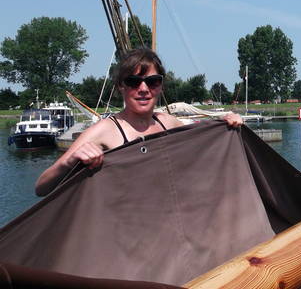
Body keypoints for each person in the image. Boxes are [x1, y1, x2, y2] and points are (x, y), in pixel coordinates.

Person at [35, 48, 243, 196]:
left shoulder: (168, 123)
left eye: (152, 82)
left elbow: (203, 139)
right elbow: (41, 188)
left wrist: (226, 125)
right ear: (121, 87)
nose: (144, 89)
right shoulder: (103, 131)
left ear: (160, 87)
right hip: (126, 240)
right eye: (134, 82)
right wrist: (70, 162)